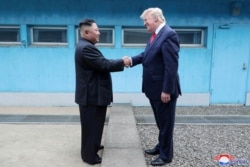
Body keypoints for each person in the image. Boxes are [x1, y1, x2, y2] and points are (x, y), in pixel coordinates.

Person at [124, 7, 181, 166]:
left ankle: (166, 155)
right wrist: (131, 60)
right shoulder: (155, 36)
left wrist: (167, 90)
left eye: (146, 20)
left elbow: (171, 66)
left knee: (166, 123)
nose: (144, 23)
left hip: (163, 91)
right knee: (161, 122)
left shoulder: (169, 35)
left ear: (156, 18)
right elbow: (146, 55)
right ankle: (160, 146)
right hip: (154, 89)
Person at [74, 18, 130, 165]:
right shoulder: (86, 47)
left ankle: (94, 146)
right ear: (86, 32)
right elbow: (103, 64)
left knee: (96, 123)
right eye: (96, 30)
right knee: (91, 126)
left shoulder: (86, 45)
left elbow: (100, 64)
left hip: (93, 94)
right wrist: (122, 62)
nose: (99, 33)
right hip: (91, 95)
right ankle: (89, 156)